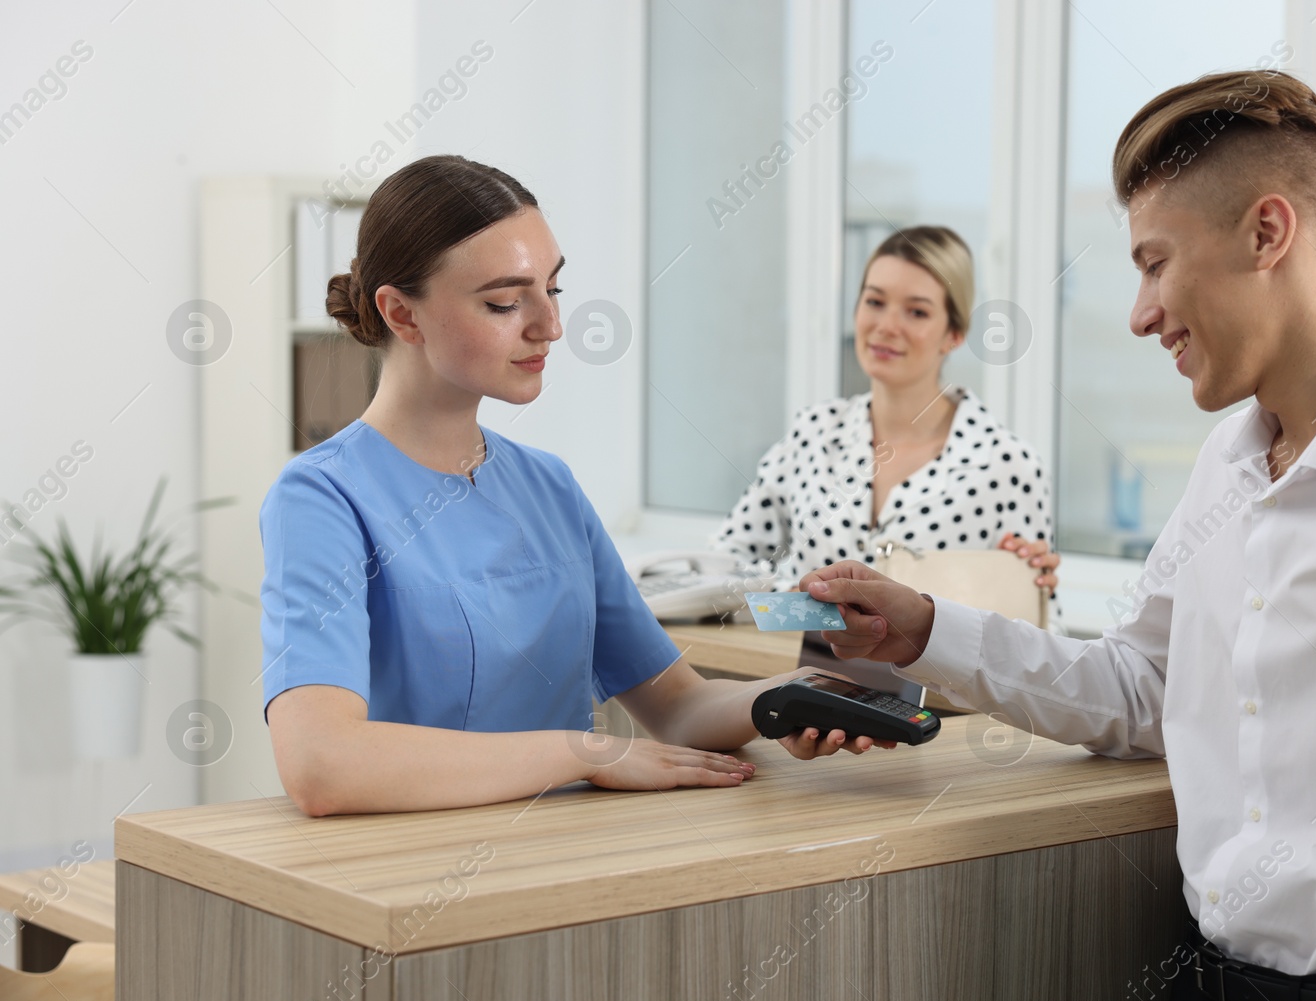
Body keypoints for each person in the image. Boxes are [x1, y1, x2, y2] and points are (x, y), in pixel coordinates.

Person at [795, 71, 1316, 1001]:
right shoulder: (1227, 462)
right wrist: (926, 630)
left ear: (1267, 234)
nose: (1140, 313)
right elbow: (1143, 689)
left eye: (1154, 262)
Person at [259, 155, 891, 818]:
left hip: (567, 862)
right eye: (504, 301)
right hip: (407, 875)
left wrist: (788, 694)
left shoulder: (548, 486)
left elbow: (676, 706)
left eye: (552, 290)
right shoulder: (321, 498)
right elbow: (321, 763)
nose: (549, 325)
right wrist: (584, 752)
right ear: (401, 313)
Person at [712, 225, 1063, 624]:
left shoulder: (1007, 466)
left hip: (932, 689)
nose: (887, 326)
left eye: (916, 311)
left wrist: (1028, 590)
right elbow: (723, 571)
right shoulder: (813, 432)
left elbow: (1039, 640)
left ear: (954, 333)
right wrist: (795, 607)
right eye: (875, 302)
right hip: (801, 683)